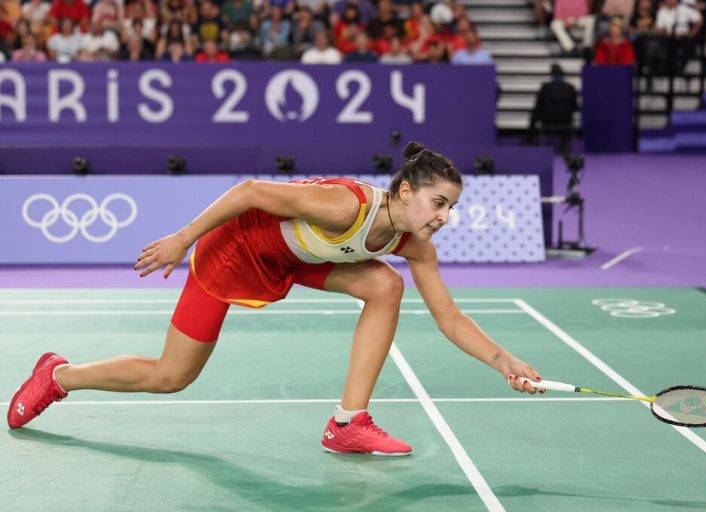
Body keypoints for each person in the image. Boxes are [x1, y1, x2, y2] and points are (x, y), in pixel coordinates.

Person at [7, 142, 545, 456]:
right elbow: (248, 192)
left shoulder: (414, 244)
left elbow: (448, 318)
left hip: (293, 260)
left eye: (450, 207)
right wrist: (182, 238)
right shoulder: (344, 206)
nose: (444, 217)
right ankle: (58, 376)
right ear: (406, 190)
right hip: (237, 250)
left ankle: (347, 423)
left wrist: (505, 363)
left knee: (386, 283)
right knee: (172, 376)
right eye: (438, 203)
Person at [526, 64, 578, 153]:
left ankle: (530, 141)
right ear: (562, 74)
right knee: (569, 117)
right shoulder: (570, 88)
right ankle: (564, 144)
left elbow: (538, 106)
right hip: (565, 121)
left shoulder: (545, 87)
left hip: (547, 121)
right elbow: (575, 107)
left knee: (533, 115)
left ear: (551, 74)